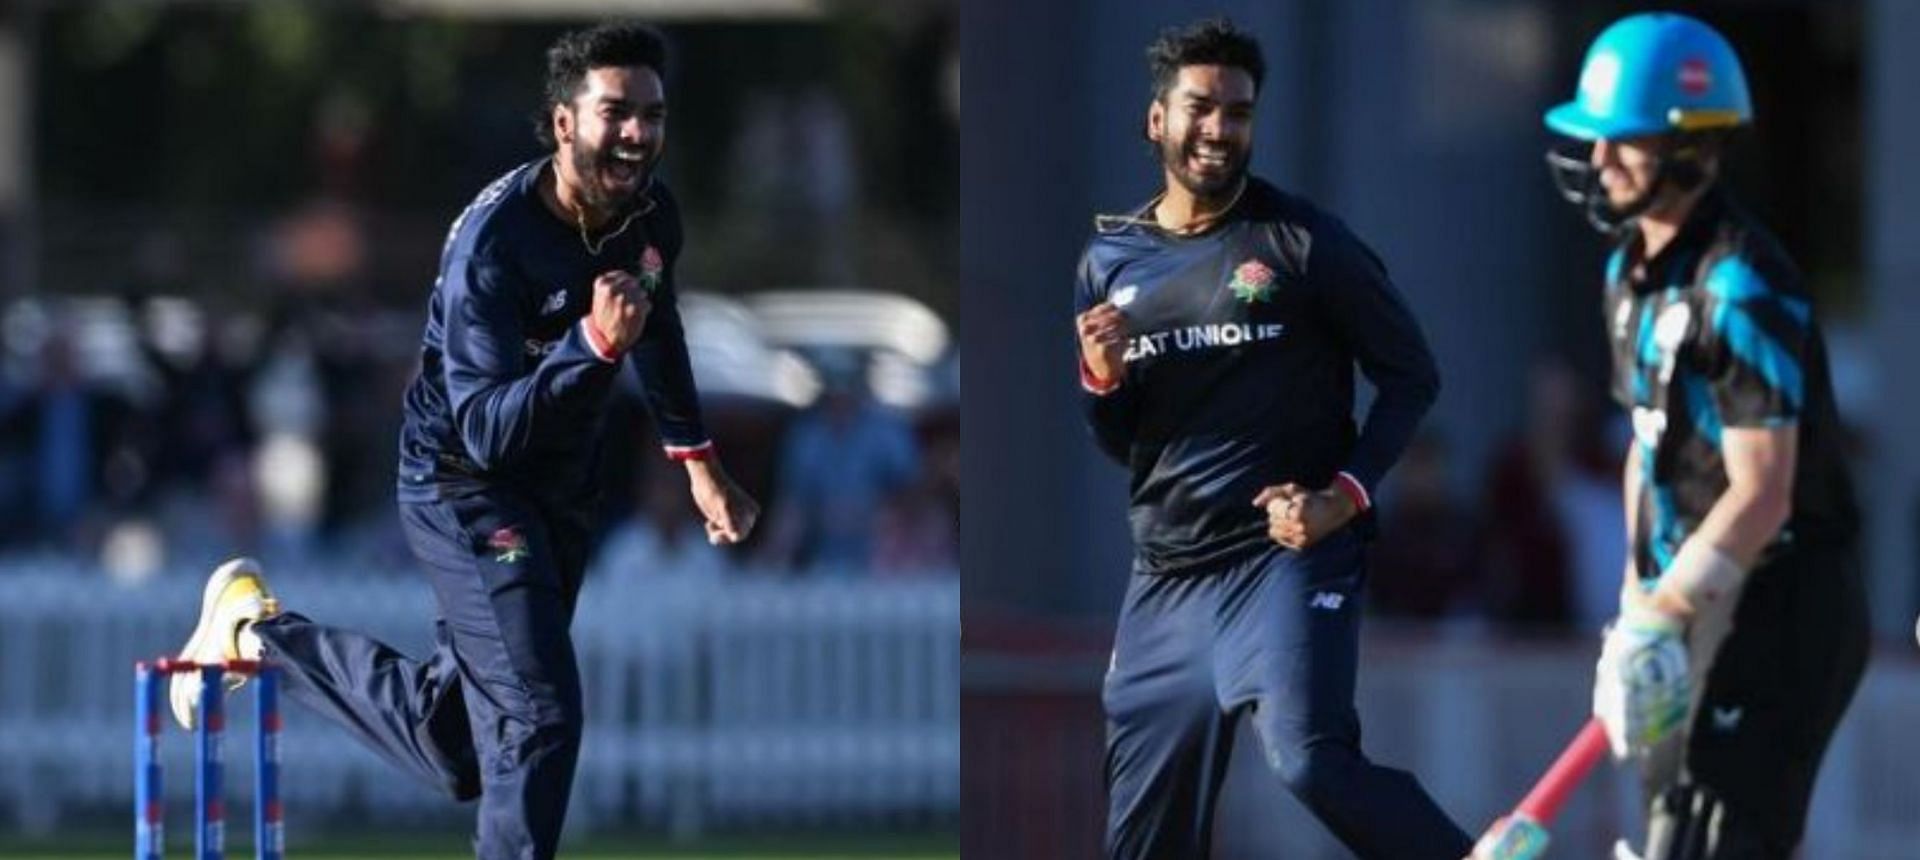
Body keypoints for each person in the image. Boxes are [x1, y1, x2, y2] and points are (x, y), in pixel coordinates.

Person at [164, 23, 759, 860]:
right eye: (616, 113)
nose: (637, 134)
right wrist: (590, 347)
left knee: (460, 751)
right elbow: (484, 431)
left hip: (560, 487)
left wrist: (696, 462)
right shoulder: (493, 248)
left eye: (652, 115)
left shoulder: (652, 211)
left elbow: (657, 328)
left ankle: (255, 636)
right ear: (563, 123)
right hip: (464, 486)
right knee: (541, 716)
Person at [1073, 18, 1471, 859]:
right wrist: (1102, 380)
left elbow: (1412, 376)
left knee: (1309, 761)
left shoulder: (1301, 242)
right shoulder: (1110, 260)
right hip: (1166, 580)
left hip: (1284, 555)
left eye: (1239, 113)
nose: (1219, 130)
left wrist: (1344, 497)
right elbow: (1130, 447)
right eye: (1200, 108)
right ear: (1157, 121)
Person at [1542, 13, 1866, 858]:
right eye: (1596, 140)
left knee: (1711, 842)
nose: (1601, 159)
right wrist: (1635, 600)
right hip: (1689, 600)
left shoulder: (1742, 283)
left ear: (1692, 145)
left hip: (1780, 606)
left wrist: (1668, 610)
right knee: (1664, 839)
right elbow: (1646, 449)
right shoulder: (1628, 274)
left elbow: (1763, 492)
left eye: (1625, 141)